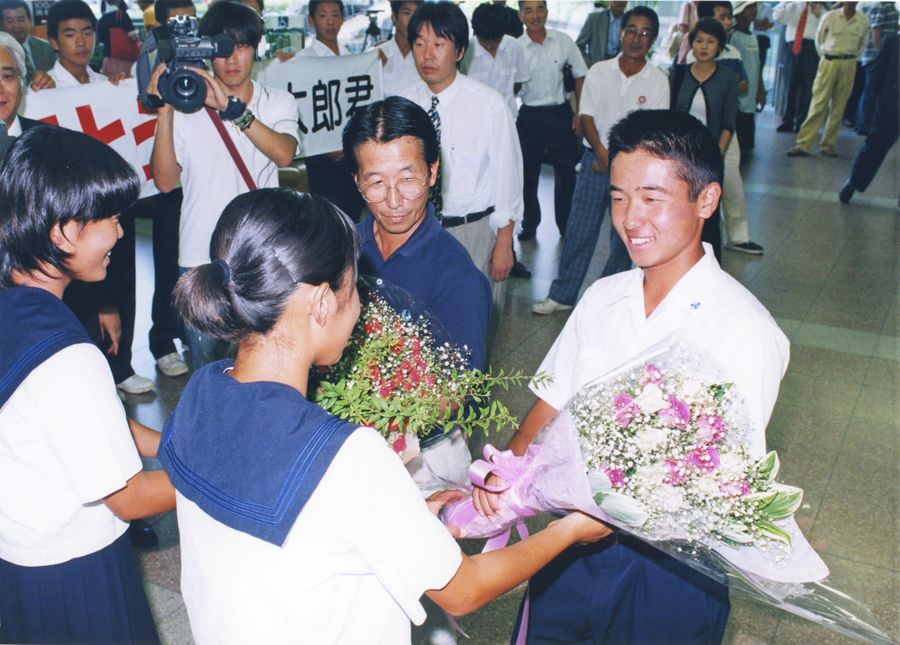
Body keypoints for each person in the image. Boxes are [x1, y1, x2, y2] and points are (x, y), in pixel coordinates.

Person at [158, 186, 611, 644]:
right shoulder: (346, 454)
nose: (359, 307)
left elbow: (307, 525)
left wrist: (409, 513)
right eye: (354, 289)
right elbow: (465, 590)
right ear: (320, 303)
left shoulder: (203, 391)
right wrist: (571, 529)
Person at [476, 109, 790, 644]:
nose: (630, 219)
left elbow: (719, 475)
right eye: (619, 198)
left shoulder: (744, 329)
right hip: (570, 548)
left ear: (707, 200)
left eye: (651, 198)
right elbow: (551, 401)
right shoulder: (603, 297)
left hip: (671, 571)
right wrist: (510, 473)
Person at [0, 126, 177, 644]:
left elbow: (90, 425)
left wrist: (170, 444)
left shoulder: (17, 307)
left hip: (22, 556)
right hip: (77, 572)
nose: (121, 236)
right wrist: (217, 472)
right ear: (63, 232)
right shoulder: (69, 357)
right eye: (112, 220)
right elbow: (128, 496)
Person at [343, 95, 492, 493]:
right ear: (356, 180)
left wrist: (383, 420)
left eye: (408, 179)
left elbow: (459, 390)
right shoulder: (341, 252)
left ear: (432, 172)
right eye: (375, 182)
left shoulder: (457, 276)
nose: (393, 201)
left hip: (424, 460)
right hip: (344, 446)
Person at [148, 0, 299, 371]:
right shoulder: (187, 107)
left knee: (267, 364)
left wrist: (234, 110)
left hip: (261, 255)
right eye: (222, 48)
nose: (231, 60)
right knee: (208, 368)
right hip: (200, 259)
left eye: (241, 47)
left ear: (256, 49)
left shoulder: (277, 101)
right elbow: (165, 182)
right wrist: (165, 111)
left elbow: (284, 154)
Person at [532, 6, 669, 316]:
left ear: (654, 39)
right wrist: (602, 153)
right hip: (596, 162)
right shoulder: (599, 71)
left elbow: (651, 130)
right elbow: (587, 116)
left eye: (645, 33)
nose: (637, 38)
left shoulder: (658, 80)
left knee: (624, 238)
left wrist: (618, 161)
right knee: (579, 231)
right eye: (631, 30)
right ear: (620, 32)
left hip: (634, 172)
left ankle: (610, 302)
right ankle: (563, 294)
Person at [400, 2, 521, 297]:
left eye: (439, 44)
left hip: (472, 232)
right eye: (419, 43)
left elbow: (509, 176)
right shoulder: (403, 104)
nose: (427, 55)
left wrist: (505, 243)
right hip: (416, 229)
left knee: (472, 326)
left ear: (460, 52)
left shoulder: (489, 104)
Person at [516, 0, 587, 241]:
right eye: (529, 10)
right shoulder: (516, 47)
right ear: (520, 15)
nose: (535, 15)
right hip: (530, 115)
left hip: (560, 113)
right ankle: (529, 223)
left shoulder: (563, 41)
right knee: (528, 174)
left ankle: (565, 225)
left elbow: (580, 75)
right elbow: (511, 87)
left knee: (566, 173)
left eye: (540, 9)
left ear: (546, 11)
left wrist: (580, 112)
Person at [699, 3, 764, 256]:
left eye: (728, 17)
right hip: (697, 128)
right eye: (722, 17)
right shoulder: (691, 48)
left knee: (732, 179)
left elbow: (742, 83)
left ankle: (738, 235)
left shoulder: (733, 52)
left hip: (726, 127)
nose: (728, 21)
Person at [297, 0, 367, 222]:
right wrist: (323, 144)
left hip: (351, 151)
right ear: (311, 20)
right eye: (323, 15)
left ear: (343, 19)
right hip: (321, 156)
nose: (330, 22)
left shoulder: (353, 58)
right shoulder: (302, 61)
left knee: (355, 210)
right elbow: (301, 110)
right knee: (328, 216)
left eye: (335, 15)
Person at [787, 2, 869, 158]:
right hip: (829, 62)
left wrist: (851, 58)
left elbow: (862, 44)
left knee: (839, 106)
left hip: (849, 63)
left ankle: (828, 144)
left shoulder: (863, 20)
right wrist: (827, 56)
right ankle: (803, 143)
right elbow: (819, 40)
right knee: (818, 103)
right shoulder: (830, 17)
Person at [839, 34, 897, 204]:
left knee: (875, 144)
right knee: (876, 144)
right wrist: (881, 101)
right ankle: (854, 182)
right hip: (892, 106)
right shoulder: (893, 42)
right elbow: (875, 72)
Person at [461, 2, 530, 118]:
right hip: (474, 118)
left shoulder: (515, 47)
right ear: (476, 32)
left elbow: (519, 82)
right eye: (484, 41)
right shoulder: (465, 52)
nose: (490, 46)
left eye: (496, 40)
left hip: (508, 117)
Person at [773, 1, 823, 133]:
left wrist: (818, 15)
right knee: (790, 85)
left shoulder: (822, 6)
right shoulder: (793, 5)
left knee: (808, 88)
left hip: (812, 49)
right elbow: (777, 16)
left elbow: (827, 27)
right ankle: (787, 120)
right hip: (793, 48)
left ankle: (802, 123)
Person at [855, 1, 898, 135]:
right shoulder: (880, 5)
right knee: (870, 91)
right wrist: (880, 54)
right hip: (874, 56)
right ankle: (863, 125)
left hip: (882, 56)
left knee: (873, 90)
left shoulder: (891, 6)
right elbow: (876, 29)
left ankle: (868, 123)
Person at [731, 1, 765, 153]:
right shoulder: (733, 36)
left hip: (750, 98)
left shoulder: (753, 37)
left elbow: (757, 66)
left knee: (746, 146)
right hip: (738, 99)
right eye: (749, 7)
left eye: (754, 6)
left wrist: (761, 91)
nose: (753, 10)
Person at [0, 0, 55, 88]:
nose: (16, 25)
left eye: (21, 20)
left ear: (29, 20)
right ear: (1, 24)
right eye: (10, 21)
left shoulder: (47, 48)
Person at [378, 1, 421, 97]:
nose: (411, 20)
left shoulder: (425, 56)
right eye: (406, 13)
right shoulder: (378, 53)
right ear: (394, 17)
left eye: (416, 15)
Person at [575, 0, 627, 68]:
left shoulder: (629, 22)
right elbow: (579, 46)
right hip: (596, 67)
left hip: (620, 69)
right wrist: (589, 64)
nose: (620, 1)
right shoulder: (594, 19)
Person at [96, 0, 140, 77]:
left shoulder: (101, 19)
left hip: (108, 59)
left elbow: (101, 40)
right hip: (125, 59)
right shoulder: (122, 15)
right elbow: (133, 37)